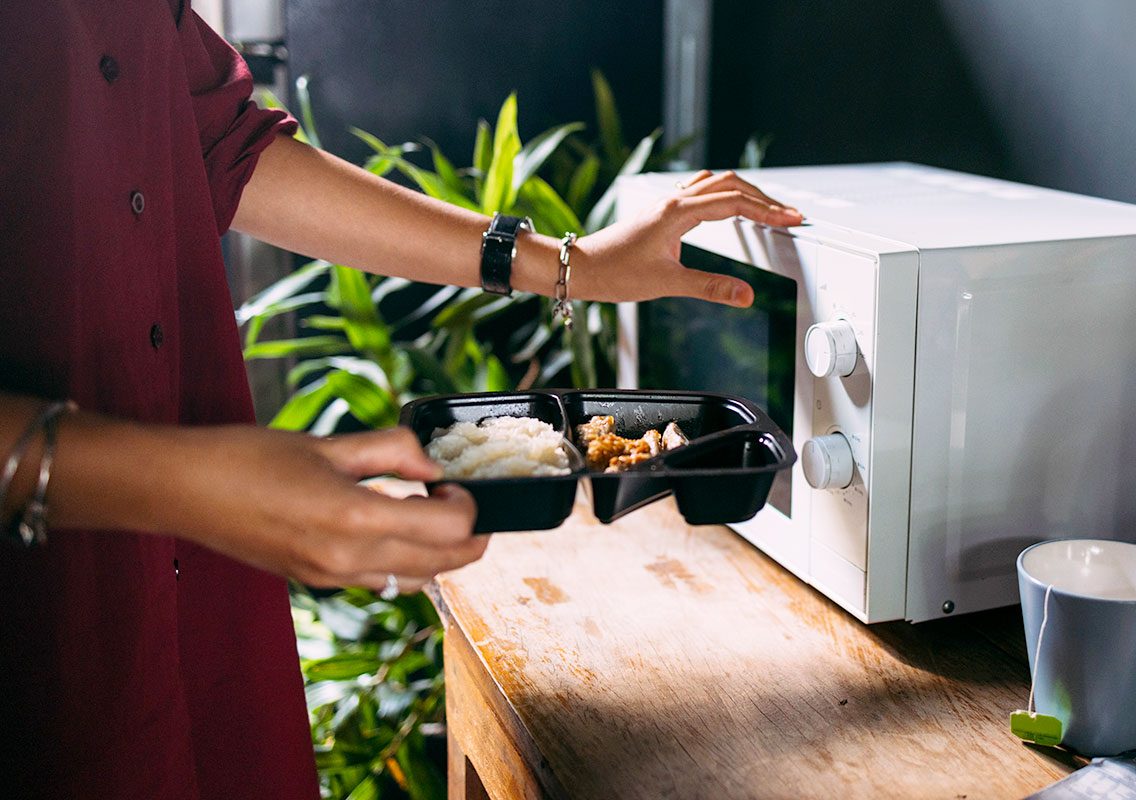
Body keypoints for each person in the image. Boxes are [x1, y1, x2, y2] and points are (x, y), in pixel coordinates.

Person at [0, 2, 805, 798]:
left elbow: (223, 144)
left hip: (189, 596)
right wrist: (190, 487)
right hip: (48, 621)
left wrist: (566, 264)